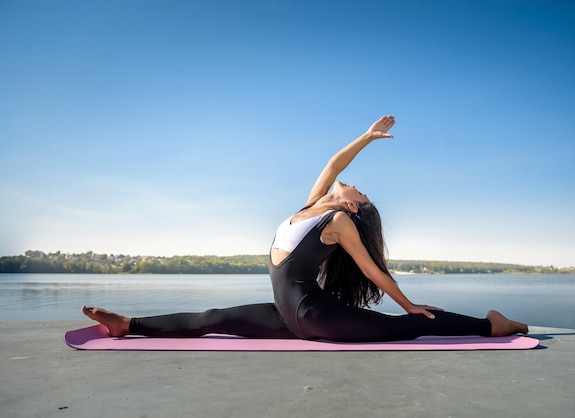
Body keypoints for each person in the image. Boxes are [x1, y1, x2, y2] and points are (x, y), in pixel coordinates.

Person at [82, 115, 528, 341]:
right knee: (212, 318)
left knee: (407, 324)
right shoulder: (314, 206)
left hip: (310, 315)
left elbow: (373, 272)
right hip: (293, 315)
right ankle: (129, 324)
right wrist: (368, 136)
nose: (355, 183)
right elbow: (334, 164)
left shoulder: (336, 222)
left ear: (354, 207)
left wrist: (409, 303)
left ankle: (494, 326)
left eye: (361, 190)